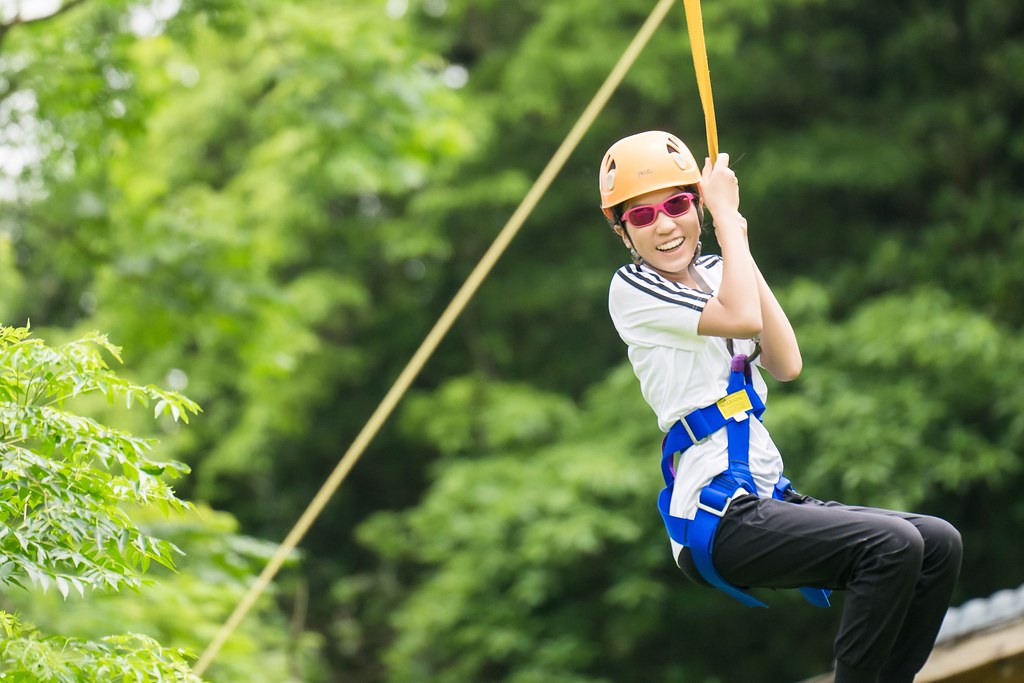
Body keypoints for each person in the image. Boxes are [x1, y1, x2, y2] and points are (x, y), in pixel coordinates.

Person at [602, 130, 962, 683]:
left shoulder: (724, 271)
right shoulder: (634, 289)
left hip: (766, 494)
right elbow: (742, 320)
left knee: (936, 543)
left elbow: (786, 361)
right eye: (643, 216)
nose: (666, 225)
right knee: (890, 548)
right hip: (716, 514)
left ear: (693, 205)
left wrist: (736, 238)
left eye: (677, 204)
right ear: (624, 233)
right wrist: (725, 222)